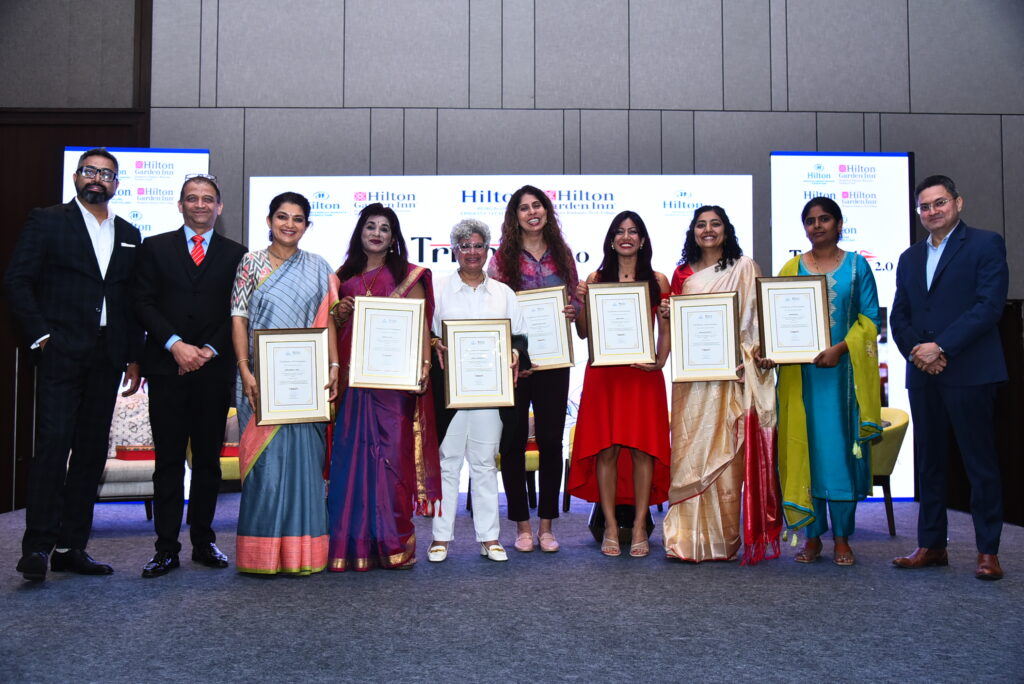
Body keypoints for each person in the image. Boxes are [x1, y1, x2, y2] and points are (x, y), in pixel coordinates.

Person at [5, 148, 142, 582]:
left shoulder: (129, 233)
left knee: (90, 452)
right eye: (90, 171)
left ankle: (71, 547)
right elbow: (17, 280)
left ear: (116, 184)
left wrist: (132, 355)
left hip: (108, 356)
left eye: (106, 174)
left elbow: (128, 299)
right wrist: (41, 337)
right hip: (61, 351)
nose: (97, 179)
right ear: (76, 177)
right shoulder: (47, 221)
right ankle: (37, 548)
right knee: (53, 445)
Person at [891, 175, 1008, 581]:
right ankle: (931, 545)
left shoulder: (985, 244)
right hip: (924, 375)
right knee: (929, 464)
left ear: (958, 202)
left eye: (939, 203)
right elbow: (899, 315)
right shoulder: (909, 257)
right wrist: (919, 352)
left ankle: (988, 551)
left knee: (979, 464)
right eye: (924, 206)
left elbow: (988, 306)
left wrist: (940, 347)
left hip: (970, 371)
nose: (932, 211)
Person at [135, 175, 247, 578]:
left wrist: (208, 350)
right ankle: (166, 548)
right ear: (180, 205)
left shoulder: (238, 254)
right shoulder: (154, 248)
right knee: (167, 461)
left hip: (213, 371)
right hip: (166, 368)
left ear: (219, 207)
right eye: (192, 198)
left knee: (208, 463)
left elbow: (237, 311)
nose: (200, 204)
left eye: (208, 199)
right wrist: (175, 345)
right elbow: (142, 302)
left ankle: (203, 541)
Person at [659, 206, 781, 564]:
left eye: (715, 224)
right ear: (693, 232)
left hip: (733, 377)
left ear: (726, 230)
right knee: (690, 454)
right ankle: (684, 539)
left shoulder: (744, 267)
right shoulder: (682, 273)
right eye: (701, 225)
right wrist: (668, 315)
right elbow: (682, 326)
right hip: (694, 379)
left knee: (728, 457)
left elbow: (758, 320)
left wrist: (752, 355)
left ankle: (724, 540)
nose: (708, 230)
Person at [326, 203, 441, 571]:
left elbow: (421, 325)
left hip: (394, 385)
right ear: (360, 232)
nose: (376, 233)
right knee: (352, 463)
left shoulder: (409, 276)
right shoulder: (342, 278)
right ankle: (353, 546)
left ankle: (392, 545)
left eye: (385, 228)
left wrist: (424, 366)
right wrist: (340, 314)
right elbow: (330, 329)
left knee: (392, 461)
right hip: (354, 385)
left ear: (394, 239)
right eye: (370, 226)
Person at [230, 192, 339, 576]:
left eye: (297, 219)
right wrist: (245, 369)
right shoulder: (251, 264)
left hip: (306, 386)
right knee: (266, 469)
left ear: (307, 225)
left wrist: (334, 365)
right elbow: (239, 318)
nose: (289, 224)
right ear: (269, 221)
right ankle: (261, 555)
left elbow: (327, 321)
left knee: (305, 468)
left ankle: (304, 554)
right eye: (282, 217)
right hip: (261, 383)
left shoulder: (319, 267)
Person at [773, 197, 881, 567]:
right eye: (810, 220)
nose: (817, 226)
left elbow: (870, 319)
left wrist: (840, 349)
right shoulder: (791, 268)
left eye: (824, 219)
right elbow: (777, 320)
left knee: (838, 456)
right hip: (800, 378)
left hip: (843, 381)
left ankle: (842, 538)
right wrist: (771, 351)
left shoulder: (857, 266)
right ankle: (812, 537)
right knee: (806, 454)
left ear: (838, 224)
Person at [567, 211, 671, 558]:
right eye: (620, 232)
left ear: (642, 240)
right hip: (605, 375)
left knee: (643, 450)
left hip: (642, 375)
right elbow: (584, 332)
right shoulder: (595, 278)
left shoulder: (658, 279)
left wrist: (660, 361)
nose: (626, 237)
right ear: (611, 240)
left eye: (633, 231)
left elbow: (666, 329)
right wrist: (582, 303)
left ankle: (640, 525)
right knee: (606, 449)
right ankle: (610, 526)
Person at [428, 219, 528, 563]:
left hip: (490, 393)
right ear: (454, 251)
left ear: (488, 250)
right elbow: (425, 334)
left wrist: (514, 352)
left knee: (485, 464)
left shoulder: (504, 293)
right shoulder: (438, 290)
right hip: (449, 393)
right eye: (465, 246)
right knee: (447, 463)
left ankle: (490, 538)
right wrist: (435, 343)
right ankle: (440, 538)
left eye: (478, 245)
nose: (472, 252)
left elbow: (520, 338)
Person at [487, 185, 579, 553]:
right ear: (515, 217)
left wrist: (572, 310)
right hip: (515, 364)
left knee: (552, 442)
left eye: (537, 205)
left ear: (546, 211)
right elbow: (495, 313)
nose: (532, 213)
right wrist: (513, 355)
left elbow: (574, 302)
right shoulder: (501, 260)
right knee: (512, 443)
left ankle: (547, 527)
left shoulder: (563, 254)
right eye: (523, 208)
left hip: (555, 363)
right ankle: (522, 526)